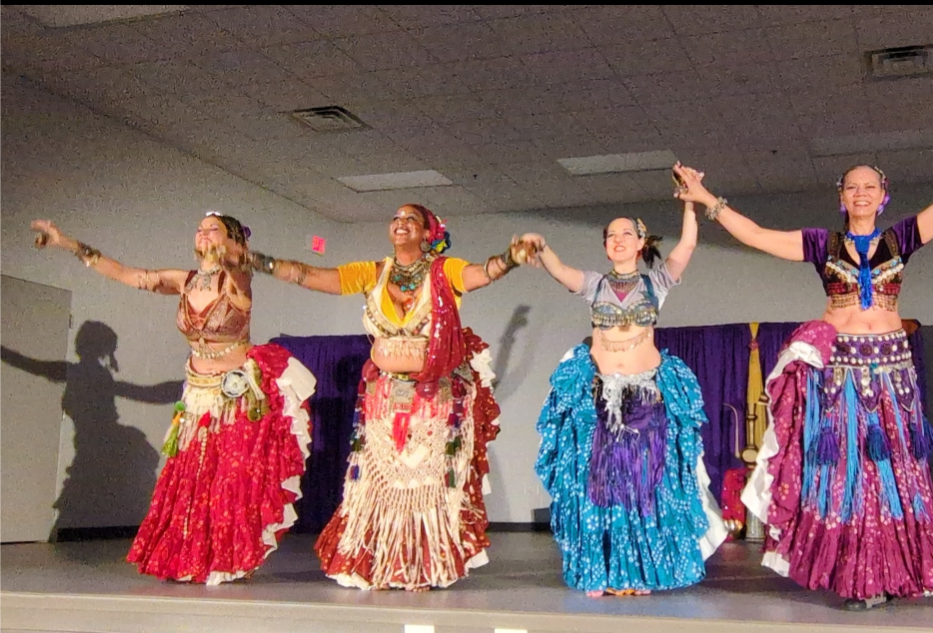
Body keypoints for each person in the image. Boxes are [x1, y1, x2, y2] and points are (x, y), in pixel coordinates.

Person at [672, 90, 933, 610]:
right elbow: (757, 235)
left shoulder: (901, 239)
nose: (861, 192)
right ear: (841, 197)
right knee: (849, 475)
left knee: (893, 473)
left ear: (884, 195)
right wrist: (704, 197)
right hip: (842, 372)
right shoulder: (822, 245)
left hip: (892, 373)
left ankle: (895, 570)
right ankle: (859, 575)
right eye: (852, 186)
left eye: (869, 186)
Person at [248, 203, 529, 591]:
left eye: (411, 219)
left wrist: (510, 259)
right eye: (396, 218)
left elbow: (479, 274)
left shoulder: (444, 271)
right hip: (383, 396)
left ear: (428, 233)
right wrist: (259, 261)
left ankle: (424, 566)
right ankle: (381, 563)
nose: (401, 223)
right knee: (382, 483)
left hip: (434, 399)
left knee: (425, 485)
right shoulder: (373, 272)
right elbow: (308, 275)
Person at [30, 213, 316, 585]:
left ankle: (230, 556)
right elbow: (126, 274)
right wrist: (66, 243)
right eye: (200, 228)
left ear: (233, 239)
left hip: (235, 395)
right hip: (197, 394)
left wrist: (233, 255)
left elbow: (241, 269)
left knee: (230, 478)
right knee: (193, 476)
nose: (204, 233)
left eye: (214, 229)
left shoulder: (237, 280)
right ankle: (193, 556)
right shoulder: (184, 281)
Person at [518, 179, 728, 597]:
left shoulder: (656, 283)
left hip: (646, 397)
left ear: (640, 242)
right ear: (605, 246)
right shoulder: (594, 284)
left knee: (642, 484)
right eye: (611, 235)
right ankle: (601, 571)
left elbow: (687, 245)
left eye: (626, 233)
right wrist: (541, 246)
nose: (618, 240)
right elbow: (559, 270)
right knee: (600, 484)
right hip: (600, 397)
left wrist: (690, 204)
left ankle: (641, 572)